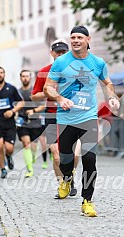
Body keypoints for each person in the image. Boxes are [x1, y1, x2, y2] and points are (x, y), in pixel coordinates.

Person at [43, 26, 120, 217]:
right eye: (73, 37)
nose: (76, 40)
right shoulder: (61, 62)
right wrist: (60, 99)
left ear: (88, 39)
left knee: (89, 159)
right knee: (65, 160)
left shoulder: (98, 62)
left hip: (88, 117)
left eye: (80, 37)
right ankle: (67, 179)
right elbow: (48, 88)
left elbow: (107, 83)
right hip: (66, 118)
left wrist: (111, 96)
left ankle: (87, 201)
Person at [31, 39, 80, 198]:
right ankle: (62, 185)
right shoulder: (44, 72)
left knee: (74, 154)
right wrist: (49, 91)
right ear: (52, 54)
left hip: (71, 115)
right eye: (57, 52)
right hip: (52, 115)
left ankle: (69, 178)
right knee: (57, 155)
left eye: (63, 52)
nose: (60, 55)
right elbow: (34, 97)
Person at [0, 66, 24, 178]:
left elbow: (21, 103)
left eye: (1, 73)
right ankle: (3, 169)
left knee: (9, 148)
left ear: (4, 74)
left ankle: (9, 156)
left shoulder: (11, 88)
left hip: (9, 123)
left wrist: (12, 111)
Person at [16, 70, 45, 177]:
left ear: (30, 78)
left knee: (33, 146)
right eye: (23, 76)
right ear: (20, 78)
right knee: (26, 144)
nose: (25, 78)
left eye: (27, 76)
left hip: (35, 122)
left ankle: (32, 156)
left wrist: (34, 111)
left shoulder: (36, 91)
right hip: (22, 122)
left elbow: (43, 105)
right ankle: (29, 170)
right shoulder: (17, 92)